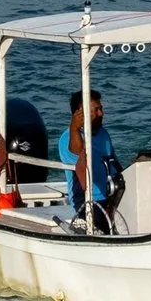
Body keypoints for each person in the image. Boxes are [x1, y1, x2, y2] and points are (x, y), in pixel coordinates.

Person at [55, 89, 122, 230]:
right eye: (96, 110)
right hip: (89, 201)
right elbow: (78, 153)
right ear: (80, 114)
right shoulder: (67, 138)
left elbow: (114, 165)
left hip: (112, 195)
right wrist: (75, 129)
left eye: (101, 109)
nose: (101, 114)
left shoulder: (103, 134)